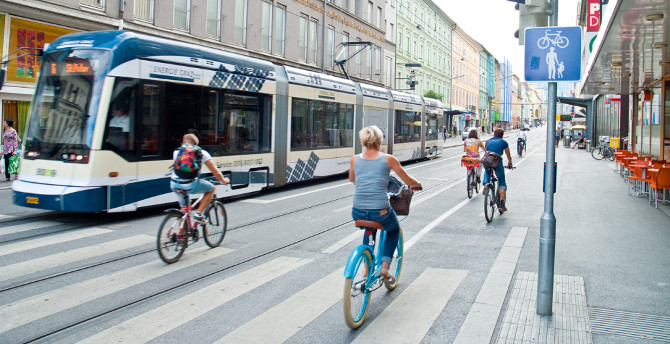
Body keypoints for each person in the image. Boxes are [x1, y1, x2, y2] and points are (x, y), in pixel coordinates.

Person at [349, 126, 422, 279]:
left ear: (363, 141)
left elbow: (352, 179)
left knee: (369, 228)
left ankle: (366, 268)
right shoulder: (388, 159)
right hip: (380, 210)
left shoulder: (355, 159)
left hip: (357, 211)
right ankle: (385, 267)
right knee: (393, 229)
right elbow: (407, 180)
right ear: (380, 141)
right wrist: (417, 184)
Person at [170, 133, 230, 223]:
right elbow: (215, 172)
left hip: (174, 183)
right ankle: (199, 214)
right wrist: (223, 180)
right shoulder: (202, 153)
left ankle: (181, 234)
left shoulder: (177, 152)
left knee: (184, 210)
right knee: (211, 189)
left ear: (183, 142)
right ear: (196, 143)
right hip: (190, 184)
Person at [482, 128, 513, 213]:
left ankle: (486, 184)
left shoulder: (488, 141)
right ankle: (502, 204)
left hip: (487, 160)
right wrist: (510, 163)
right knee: (502, 181)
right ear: (502, 136)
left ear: (493, 135)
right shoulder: (504, 142)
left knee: (487, 171)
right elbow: (508, 155)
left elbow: (486, 151)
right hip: (497, 161)